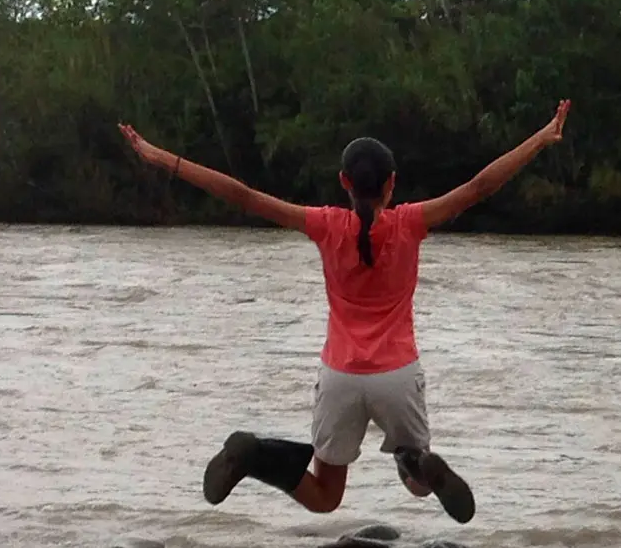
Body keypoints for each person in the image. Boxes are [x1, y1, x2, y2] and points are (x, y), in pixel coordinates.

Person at [117, 99, 571, 525]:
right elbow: (479, 187)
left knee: (325, 496)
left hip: (340, 377)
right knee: (416, 486)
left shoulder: (325, 224)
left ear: (344, 183)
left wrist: (163, 158)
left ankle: (256, 455)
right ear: (392, 183)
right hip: (397, 374)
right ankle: (416, 462)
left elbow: (244, 196)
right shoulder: (411, 222)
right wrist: (539, 137)